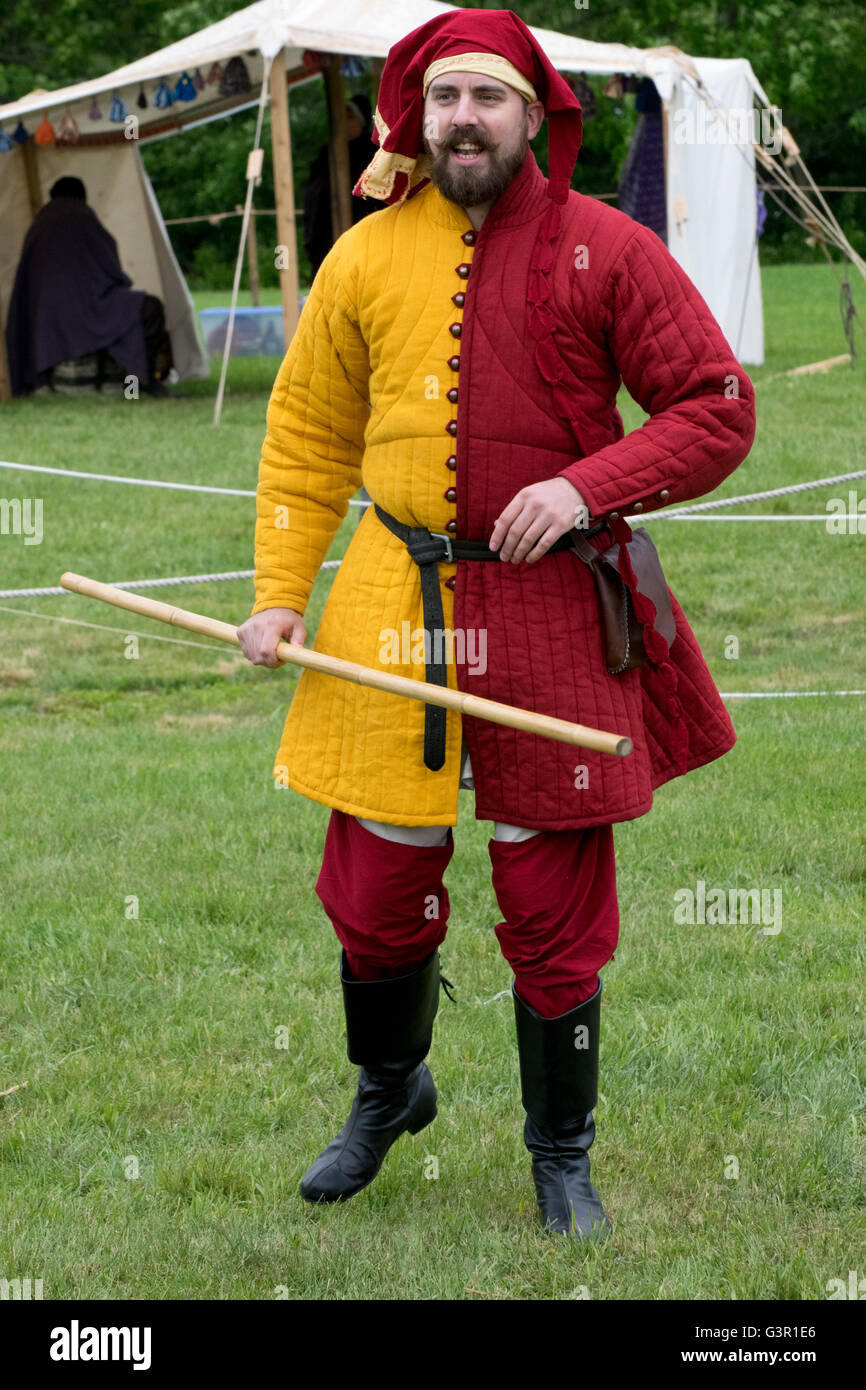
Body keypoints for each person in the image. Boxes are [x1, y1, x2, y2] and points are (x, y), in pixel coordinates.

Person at [237, 8, 756, 1240]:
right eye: (442, 99)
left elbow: (714, 404)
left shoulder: (607, 249)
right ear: (414, 119)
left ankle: (560, 1154)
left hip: (549, 611)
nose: (462, 118)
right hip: (385, 604)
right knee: (375, 887)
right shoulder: (361, 259)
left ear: (534, 114)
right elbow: (307, 435)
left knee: (549, 888)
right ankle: (386, 1090)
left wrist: (586, 485)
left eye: (487, 97)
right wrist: (274, 592)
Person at [5, 176, 172, 396]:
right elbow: (110, 271)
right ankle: (140, 382)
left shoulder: (39, 224)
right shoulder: (81, 215)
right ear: (82, 196)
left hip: (46, 320)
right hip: (86, 312)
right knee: (149, 309)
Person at [303, 94, 378, 277]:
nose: (344, 122)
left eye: (350, 117)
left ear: (361, 122)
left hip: (364, 229)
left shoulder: (373, 153)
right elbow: (313, 191)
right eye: (342, 117)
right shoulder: (328, 153)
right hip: (328, 230)